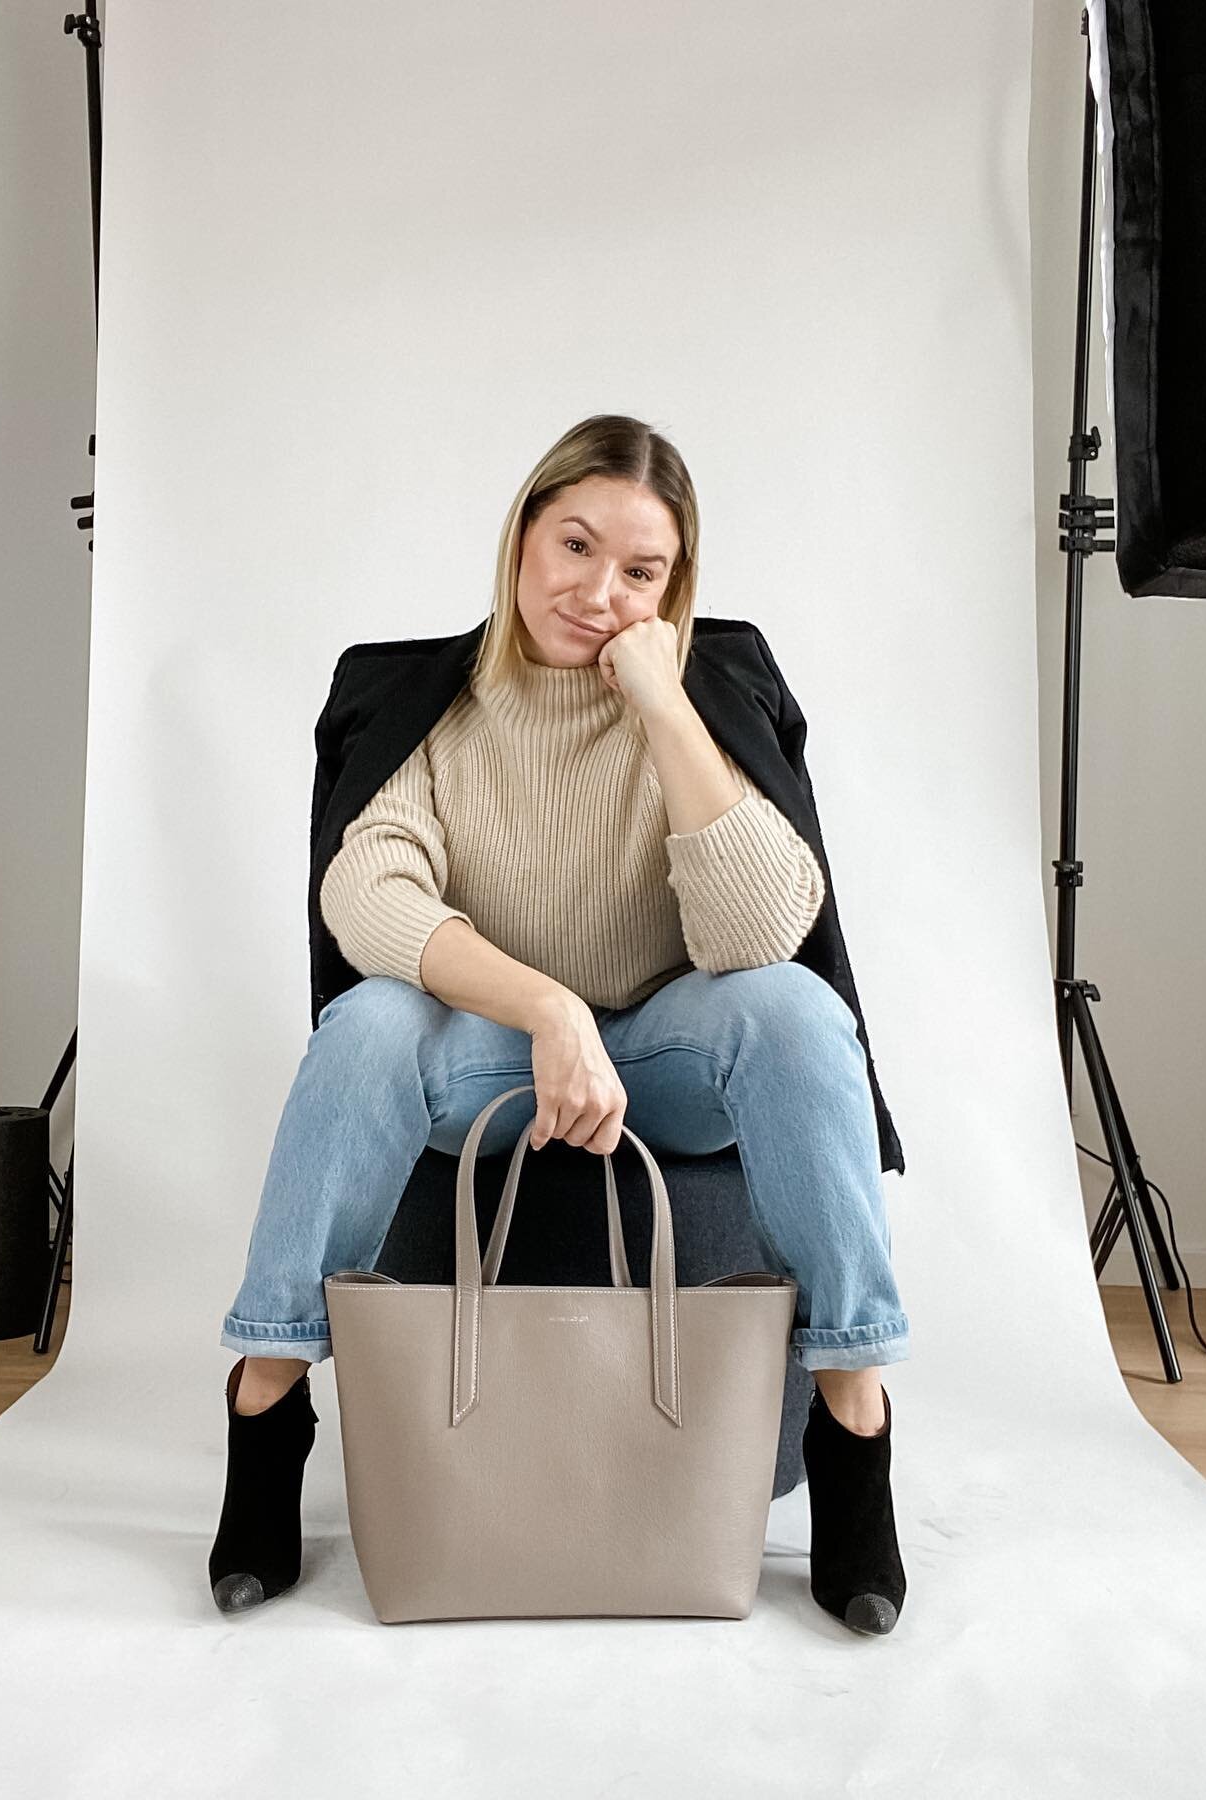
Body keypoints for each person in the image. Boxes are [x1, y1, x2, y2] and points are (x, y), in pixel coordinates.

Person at [209, 414, 910, 1635]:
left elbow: (759, 932)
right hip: (499, 1053)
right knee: (370, 1025)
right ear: (522, 535)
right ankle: (267, 1394)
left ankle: (853, 1409)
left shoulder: (700, 693)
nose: (597, 591)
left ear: (674, 585)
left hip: (671, 1055)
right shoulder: (434, 707)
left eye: (641, 571)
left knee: (797, 1014)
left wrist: (663, 700)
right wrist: (546, 1009)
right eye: (574, 545)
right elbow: (366, 898)